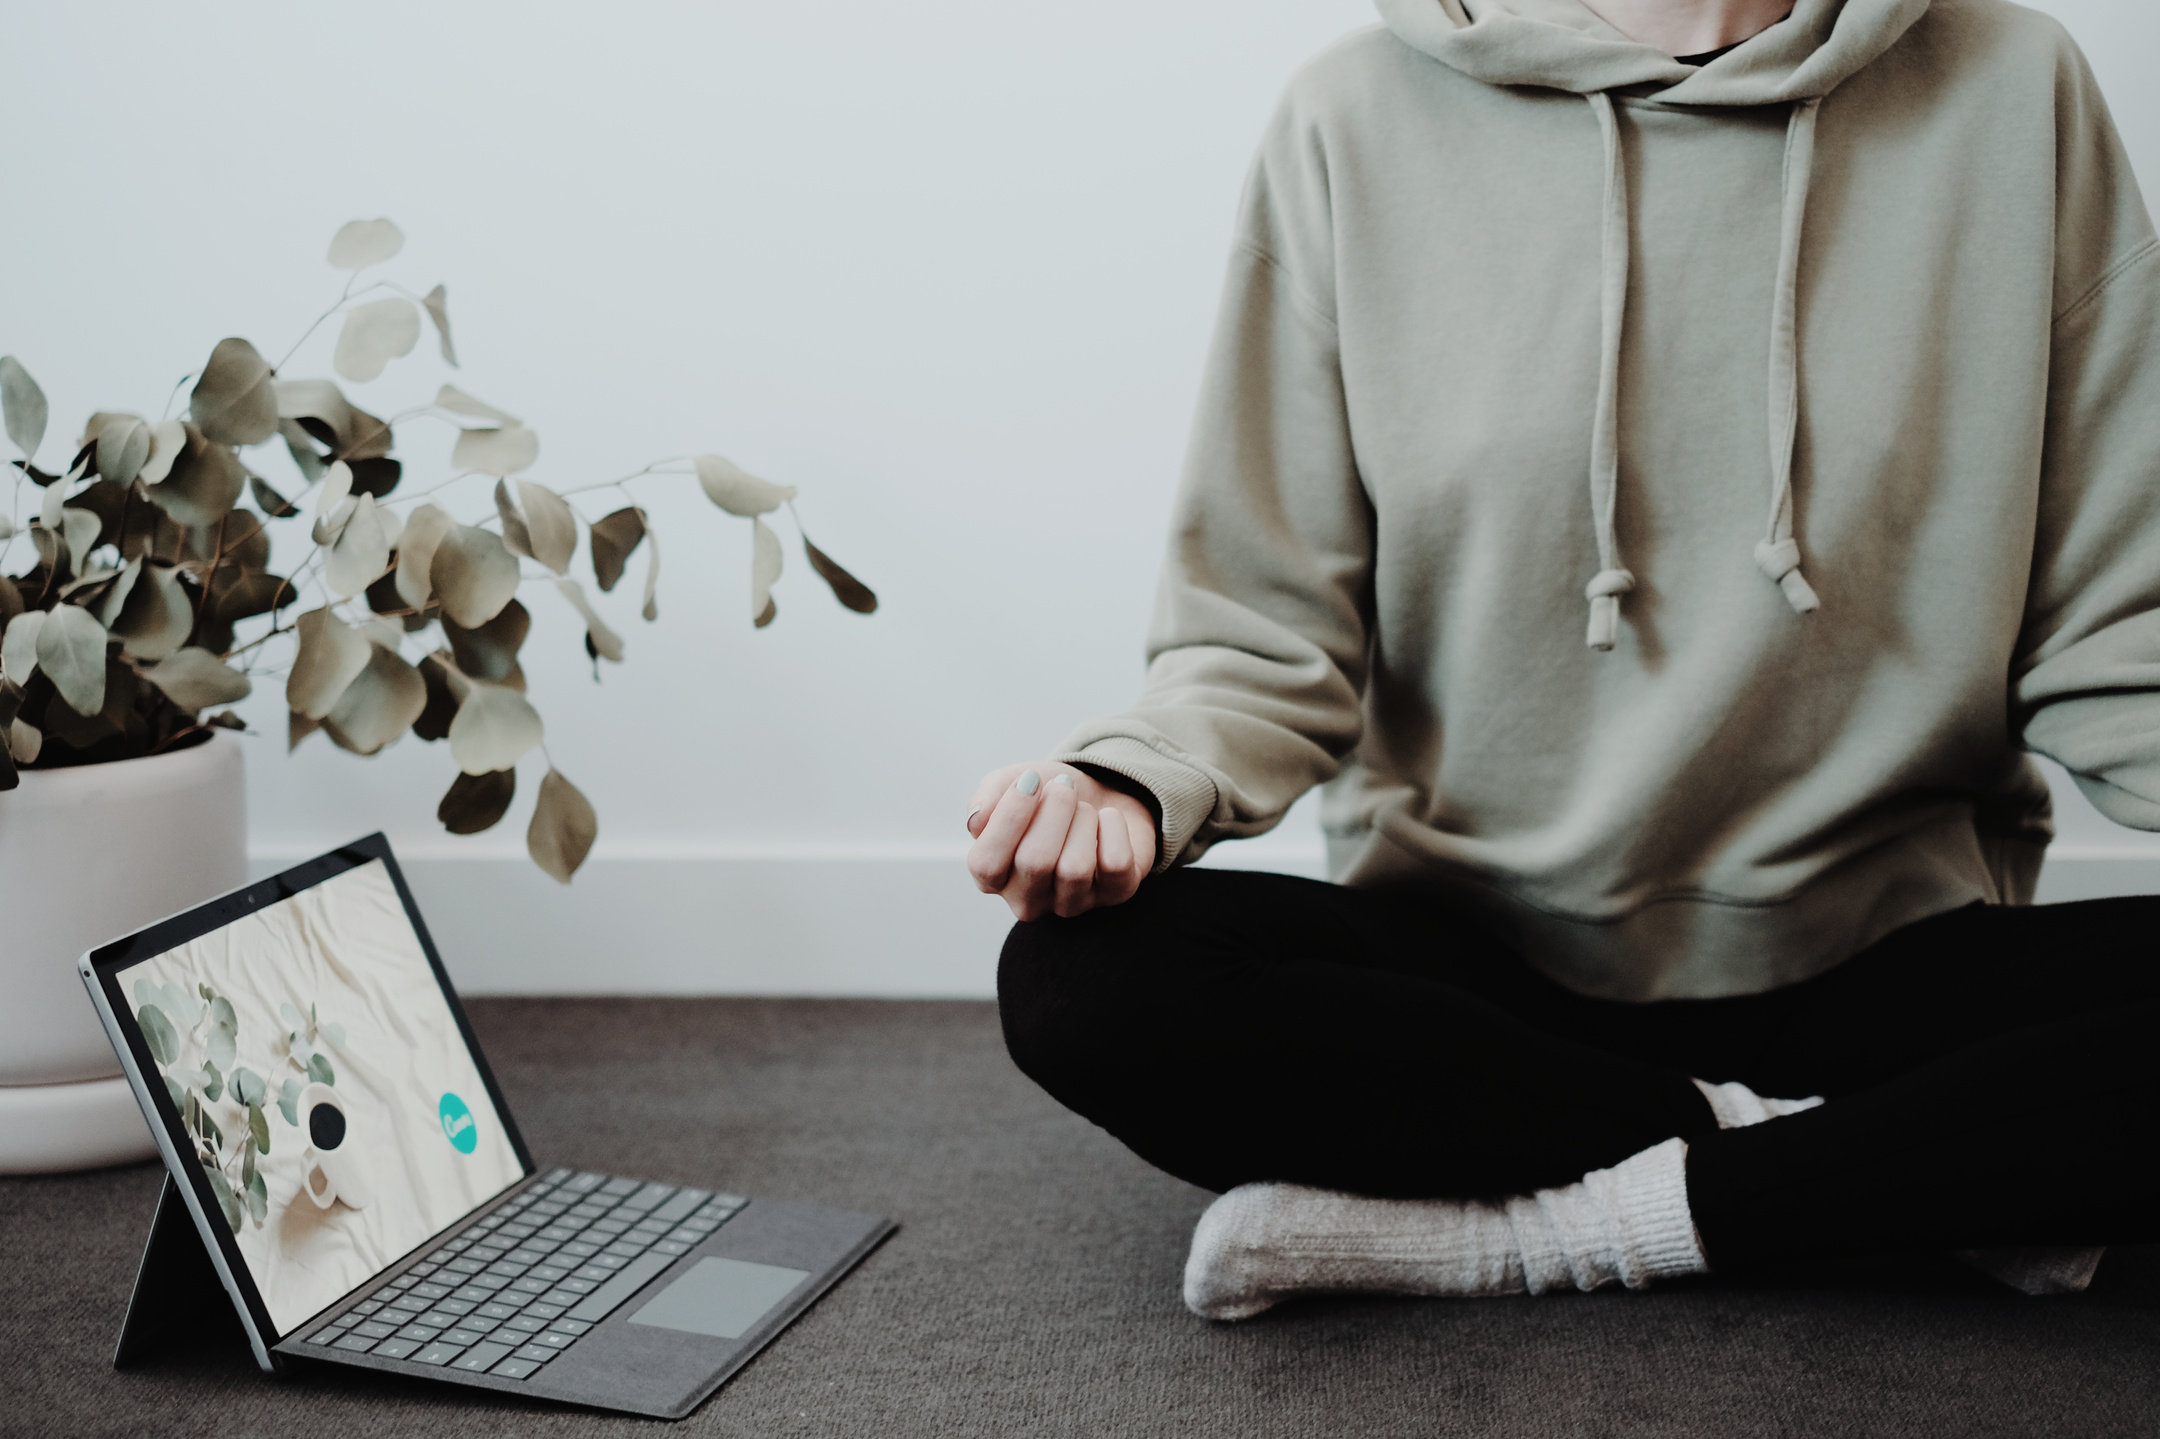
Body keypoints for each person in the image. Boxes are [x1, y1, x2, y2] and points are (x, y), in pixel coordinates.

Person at [965, 0, 2160, 1319]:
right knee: (1085, 985)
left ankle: (1548, 1232)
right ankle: (1877, 1167)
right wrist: (1134, 783)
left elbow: (2120, 618)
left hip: (1887, 951)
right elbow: (1263, 627)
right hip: (1482, 971)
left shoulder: (2012, 84)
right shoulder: (1352, 118)